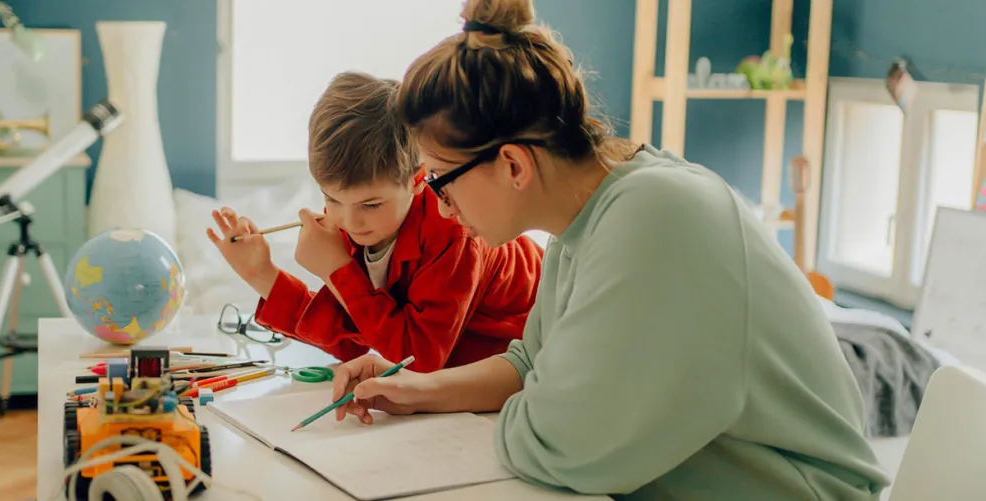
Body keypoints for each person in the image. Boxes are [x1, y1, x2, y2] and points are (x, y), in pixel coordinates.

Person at [328, 0, 891, 499]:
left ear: (514, 165)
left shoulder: (657, 215)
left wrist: (540, 404)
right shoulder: (587, 219)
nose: (441, 207)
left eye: (440, 181)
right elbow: (531, 365)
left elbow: (562, 446)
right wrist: (417, 389)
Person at [206, 71, 544, 373]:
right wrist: (261, 273)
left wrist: (337, 270)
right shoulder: (362, 225)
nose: (350, 221)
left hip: (543, 340)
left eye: (370, 203)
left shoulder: (453, 229)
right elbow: (352, 340)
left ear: (417, 179)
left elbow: (418, 359)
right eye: (331, 199)